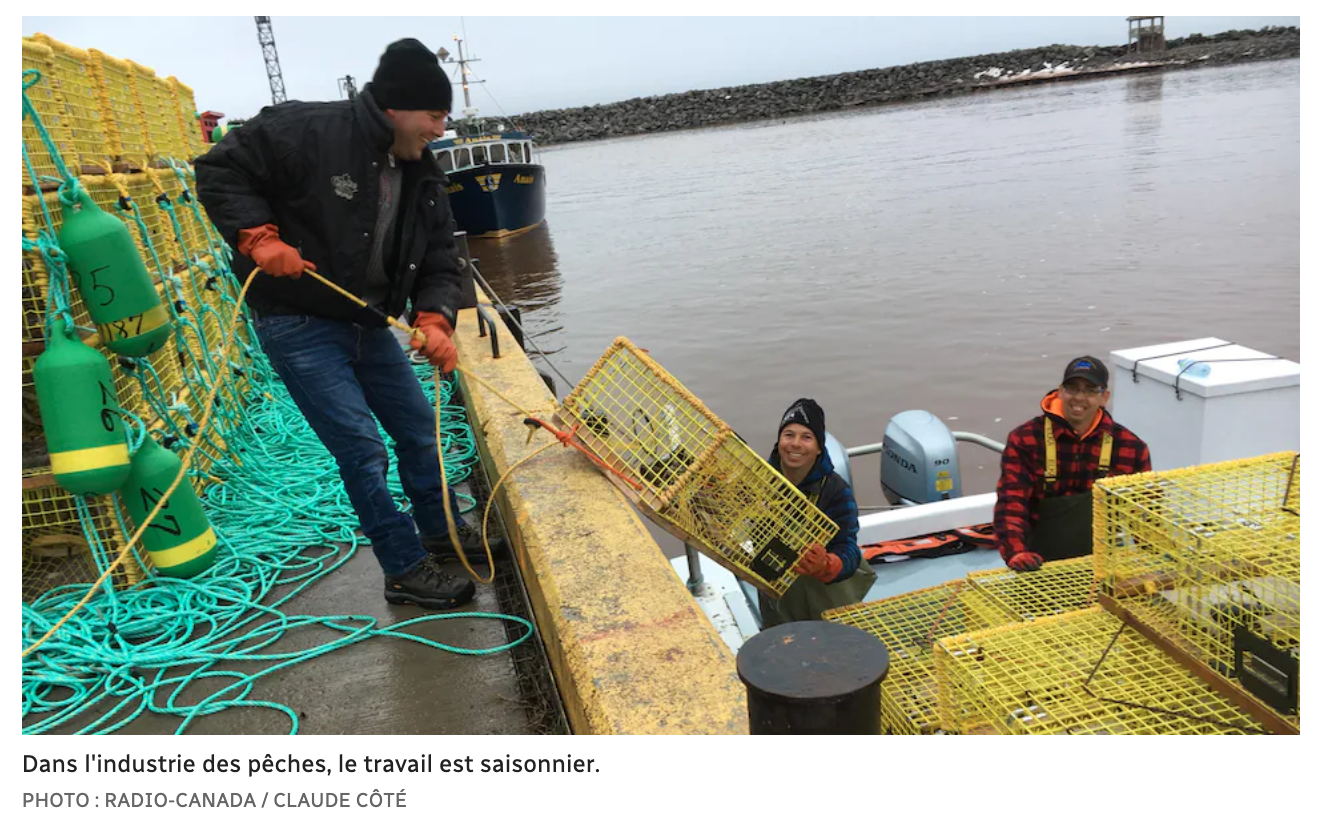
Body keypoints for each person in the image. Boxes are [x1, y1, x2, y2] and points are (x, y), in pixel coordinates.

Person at [196, 38, 504, 610]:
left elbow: (439, 256)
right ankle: (404, 568)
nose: (440, 128)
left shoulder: (424, 174)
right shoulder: (307, 129)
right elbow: (219, 169)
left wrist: (436, 318)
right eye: (435, 115)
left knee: (419, 429)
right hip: (297, 321)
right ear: (396, 107)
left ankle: (440, 534)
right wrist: (258, 237)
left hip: (366, 321)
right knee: (362, 448)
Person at [994, 356, 1152, 571]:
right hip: (1037, 566)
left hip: (1102, 565)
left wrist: (1158, 556)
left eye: (1089, 390)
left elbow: (1144, 514)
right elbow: (1012, 502)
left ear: (1104, 397)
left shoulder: (1131, 447)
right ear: (1060, 391)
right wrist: (1016, 551)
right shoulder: (1025, 439)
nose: (1079, 397)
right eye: (1072, 388)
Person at [758, 398, 875, 629]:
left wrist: (827, 565)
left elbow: (849, 549)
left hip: (828, 602)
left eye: (806, 437)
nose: (796, 444)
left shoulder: (835, 491)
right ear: (779, 440)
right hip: (779, 603)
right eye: (789, 434)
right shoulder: (760, 482)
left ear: (819, 447)